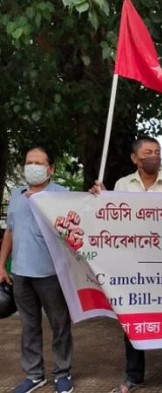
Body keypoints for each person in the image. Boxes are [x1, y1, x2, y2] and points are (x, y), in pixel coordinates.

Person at [91, 137, 162, 393]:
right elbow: (112, 218)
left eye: (157, 152)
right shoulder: (123, 184)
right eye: (147, 152)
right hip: (133, 265)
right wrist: (98, 199)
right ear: (135, 158)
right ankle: (133, 376)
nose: (154, 156)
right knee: (133, 320)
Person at [0, 146, 74, 393]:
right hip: (21, 273)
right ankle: (34, 374)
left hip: (52, 273)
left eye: (38, 163)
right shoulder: (16, 195)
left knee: (59, 324)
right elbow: (10, 232)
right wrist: (1, 264)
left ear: (50, 168)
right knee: (28, 325)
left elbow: (75, 230)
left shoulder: (61, 195)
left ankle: (63, 373)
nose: (32, 167)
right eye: (29, 162)